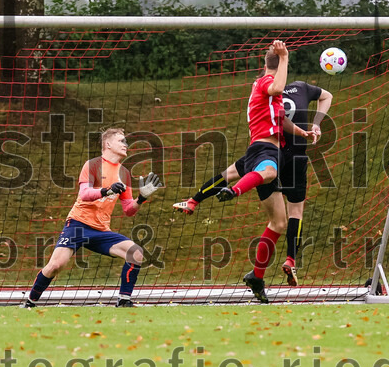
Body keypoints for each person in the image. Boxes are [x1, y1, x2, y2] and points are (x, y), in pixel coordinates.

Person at [173, 80, 332, 286]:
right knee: (294, 212)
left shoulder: (267, 93)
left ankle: (194, 200)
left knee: (231, 172)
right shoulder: (300, 88)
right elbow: (327, 96)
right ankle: (290, 259)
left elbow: (280, 119)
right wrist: (316, 123)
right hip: (292, 156)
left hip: (271, 151)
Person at [214, 40, 315, 303]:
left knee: (279, 223)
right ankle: (233, 190)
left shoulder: (273, 95)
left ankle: (256, 276)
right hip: (264, 152)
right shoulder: (266, 83)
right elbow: (279, 86)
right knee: (268, 176)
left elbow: (282, 119)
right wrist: (286, 57)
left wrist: (303, 131)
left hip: (277, 153)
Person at [23, 128, 163, 308]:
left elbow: (128, 209)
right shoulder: (93, 165)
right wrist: (106, 190)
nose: (126, 145)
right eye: (121, 141)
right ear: (108, 144)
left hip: (101, 230)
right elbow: (84, 194)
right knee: (56, 265)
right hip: (78, 225)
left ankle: (124, 300)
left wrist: (141, 198)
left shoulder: (125, 173)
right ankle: (30, 303)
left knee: (135, 253)